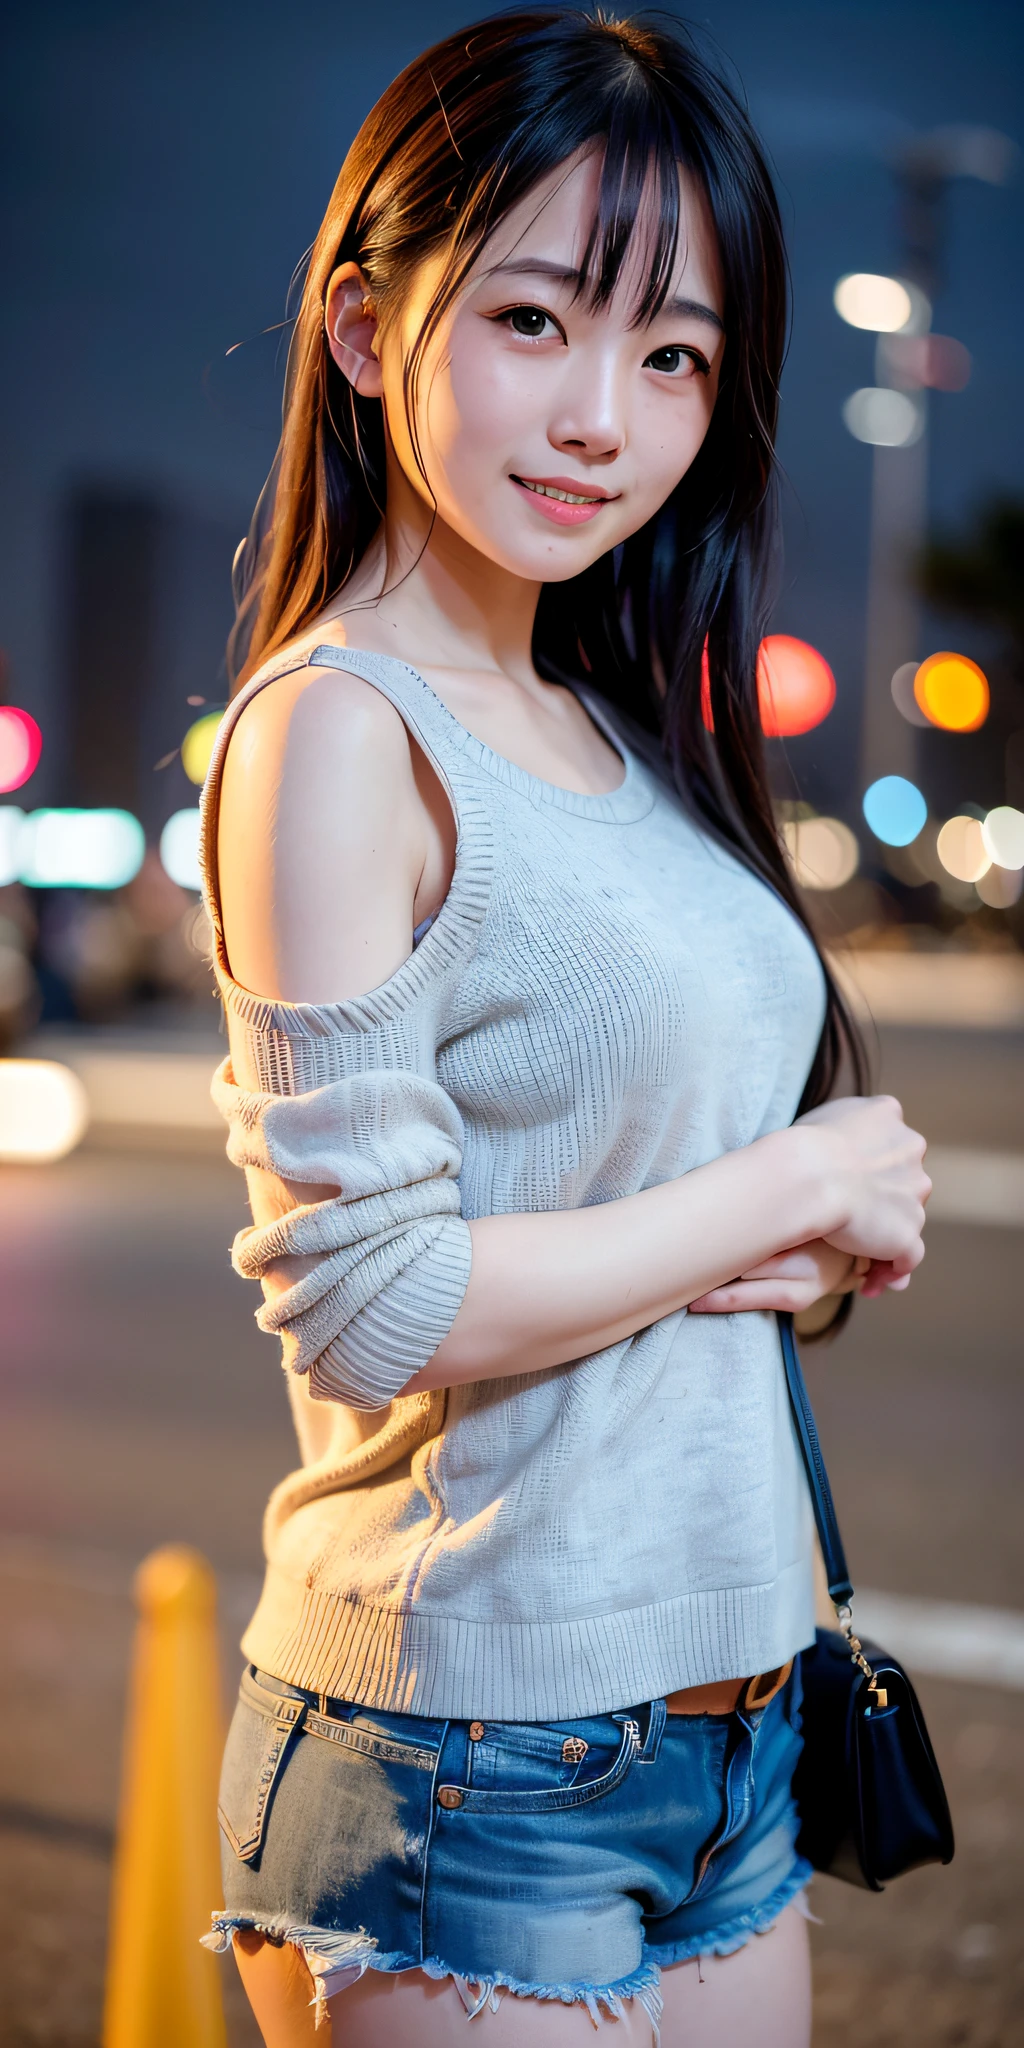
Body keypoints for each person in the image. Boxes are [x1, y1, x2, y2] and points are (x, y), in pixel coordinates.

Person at [199, 14, 930, 2044]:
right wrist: (778, 1183)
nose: (602, 414)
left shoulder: (618, 720)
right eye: (534, 318)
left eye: (673, 353)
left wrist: (780, 1237)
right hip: (468, 1745)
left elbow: (615, 1189)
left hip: (729, 1715)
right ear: (365, 329)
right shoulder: (338, 733)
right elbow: (374, 1307)